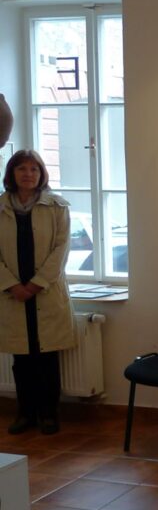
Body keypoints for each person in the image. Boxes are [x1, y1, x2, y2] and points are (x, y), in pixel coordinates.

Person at [0, 150, 75, 435]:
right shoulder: (1, 207)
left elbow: (61, 250)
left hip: (45, 292)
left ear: (42, 173)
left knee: (46, 358)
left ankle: (49, 414)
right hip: (12, 295)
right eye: (22, 168)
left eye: (34, 169)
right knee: (21, 359)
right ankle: (25, 414)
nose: (28, 174)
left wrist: (35, 284)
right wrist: (12, 285)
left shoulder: (57, 207)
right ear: (12, 173)